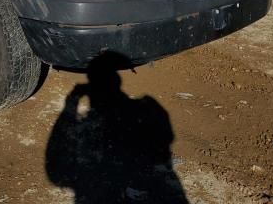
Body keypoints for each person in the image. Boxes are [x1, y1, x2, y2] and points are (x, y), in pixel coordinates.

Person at [45, 53, 188, 203]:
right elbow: (166, 136)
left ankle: (132, 187)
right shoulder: (138, 108)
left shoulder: (123, 111)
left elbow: (56, 172)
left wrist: (72, 100)